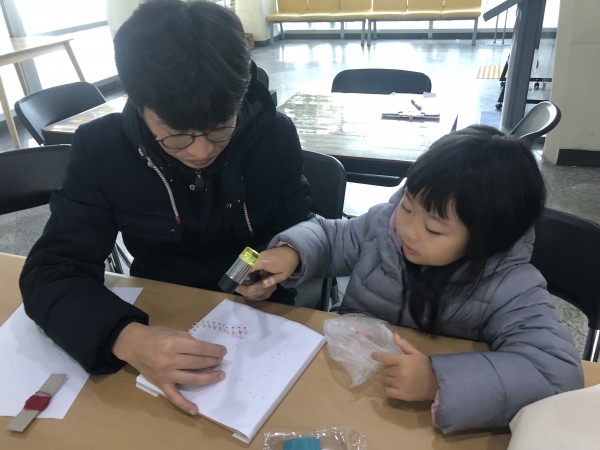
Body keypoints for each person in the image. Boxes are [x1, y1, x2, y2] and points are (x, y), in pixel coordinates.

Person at [19, 0, 311, 416]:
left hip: (265, 318)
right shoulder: (102, 150)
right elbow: (51, 272)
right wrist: (125, 337)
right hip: (159, 311)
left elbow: (299, 225)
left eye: (219, 128)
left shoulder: (274, 135)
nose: (201, 151)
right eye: (177, 134)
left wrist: (287, 257)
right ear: (140, 104)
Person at [236, 125, 584, 434]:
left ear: (486, 239)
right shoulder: (383, 226)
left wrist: (437, 380)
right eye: (407, 206)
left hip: (426, 419)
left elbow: (556, 373)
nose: (408, 230)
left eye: (433, 228)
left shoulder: (511, 285)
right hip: (348, 386)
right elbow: (331, 237)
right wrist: (292, 252)